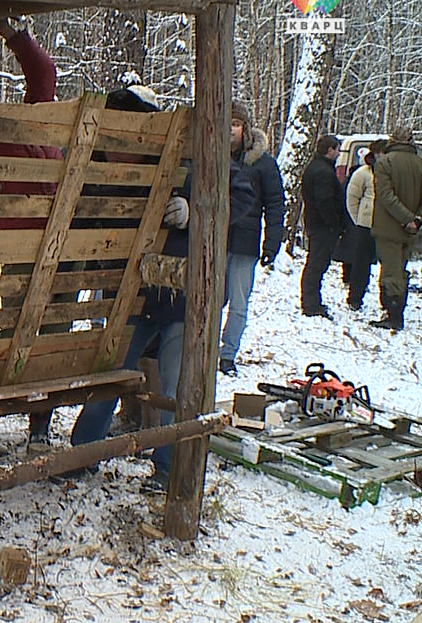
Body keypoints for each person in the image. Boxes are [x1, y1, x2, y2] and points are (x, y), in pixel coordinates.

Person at [69, 87, 257, 491]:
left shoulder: (201, 160)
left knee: (176, 386)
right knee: (111, 374)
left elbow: (241, 197)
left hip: (185, 298)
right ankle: (82, 453)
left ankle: (169, 466)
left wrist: (197, 210)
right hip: (135, 293)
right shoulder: (126, 160)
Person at [0, 17, 65, 453]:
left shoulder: (44, 124)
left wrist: (15, 37)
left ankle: (41, 423)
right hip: (20, 250)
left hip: (60, 248)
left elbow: (43, 73)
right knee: (15, 330)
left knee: (55, 331)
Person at [219, 100, 285, 375]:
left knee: (238, 303)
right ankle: (204, 347)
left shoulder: (263, 163)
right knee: (210, 299)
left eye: (236, 124)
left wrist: (272, 241)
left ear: (244, 128)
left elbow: (275, 203)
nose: (231, 130)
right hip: (215, 239)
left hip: (246, 243)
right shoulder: (215, 154)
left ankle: (227, 354)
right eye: (228, 124)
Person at [369, 127, 422, 330]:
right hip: (411, 230)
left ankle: (393, 315)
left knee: (391, 272)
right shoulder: (419, 164)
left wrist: (406, 218)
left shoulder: (385, 163)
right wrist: (416, 220)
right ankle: (396, 311)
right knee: (401, 268)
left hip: (388, 227)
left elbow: (385, 195)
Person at [299, 135, 345, 319]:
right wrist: (334, 223)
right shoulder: (323, 172)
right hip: (322, 226)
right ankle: (310, 304)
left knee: (316, 263)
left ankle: (312, 301)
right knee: (317, 263)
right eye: (337, 149)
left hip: (316, 222)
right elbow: (324, 201)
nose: (339, 153)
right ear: (330, 150)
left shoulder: (317, 168)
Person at [344, 143, 384, 311]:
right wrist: (359, 219)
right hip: (365, 225)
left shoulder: (391, 173)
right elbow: (352, 198)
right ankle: (355, 297)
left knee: (388, 263)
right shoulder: (363, 173)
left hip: (387, 225)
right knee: (361, 263)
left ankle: (387, 300)